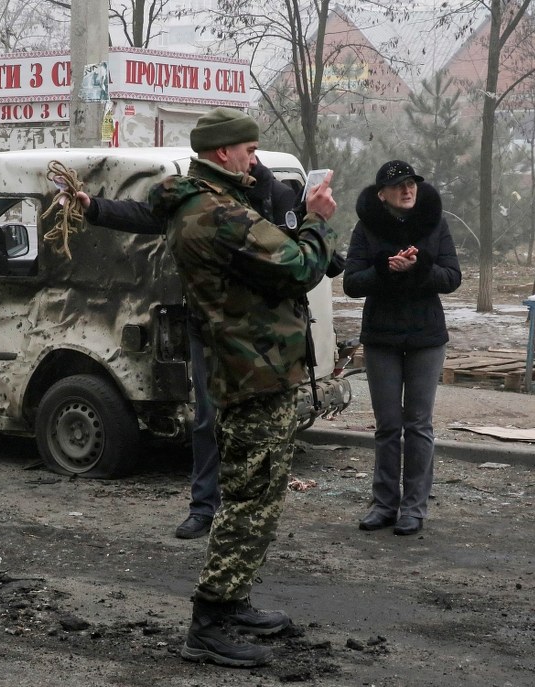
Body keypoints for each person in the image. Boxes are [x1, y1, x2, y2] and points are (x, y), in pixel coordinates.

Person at [147, 107, 338, 667]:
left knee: (255, 494)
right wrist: (317, 219)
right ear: (222, 153)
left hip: (252, 366)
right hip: (252, 370)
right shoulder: (217, 213)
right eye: (249, 151)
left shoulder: (208, 204)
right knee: (249, 500)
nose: (254, 160)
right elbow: (301, 266)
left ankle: (231, 601)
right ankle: (209, 622)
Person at [76, 158, 297, 540]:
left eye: (254, 149)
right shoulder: (198, 196)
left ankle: (247, 513)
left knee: (252, 423)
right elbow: (148, 215)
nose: (252, 157)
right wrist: (95, 207)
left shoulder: (272, 193)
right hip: (206, 325)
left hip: (254, 331)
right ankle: (203, 508)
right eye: (247, 149)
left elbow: (297, 254)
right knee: (207, 419)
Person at [343, 161, 461, 535]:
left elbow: (452, 278)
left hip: (426, 337)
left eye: (411, 184)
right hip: (381, 337)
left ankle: (413, 508)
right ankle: (383, 504)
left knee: (419, 423)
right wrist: (385, 269)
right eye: (398, 186)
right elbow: (351, 283)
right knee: (388, 425)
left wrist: (421, 265)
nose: (407, 190)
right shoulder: (367, 228)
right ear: (382, 194)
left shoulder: (435, 224)